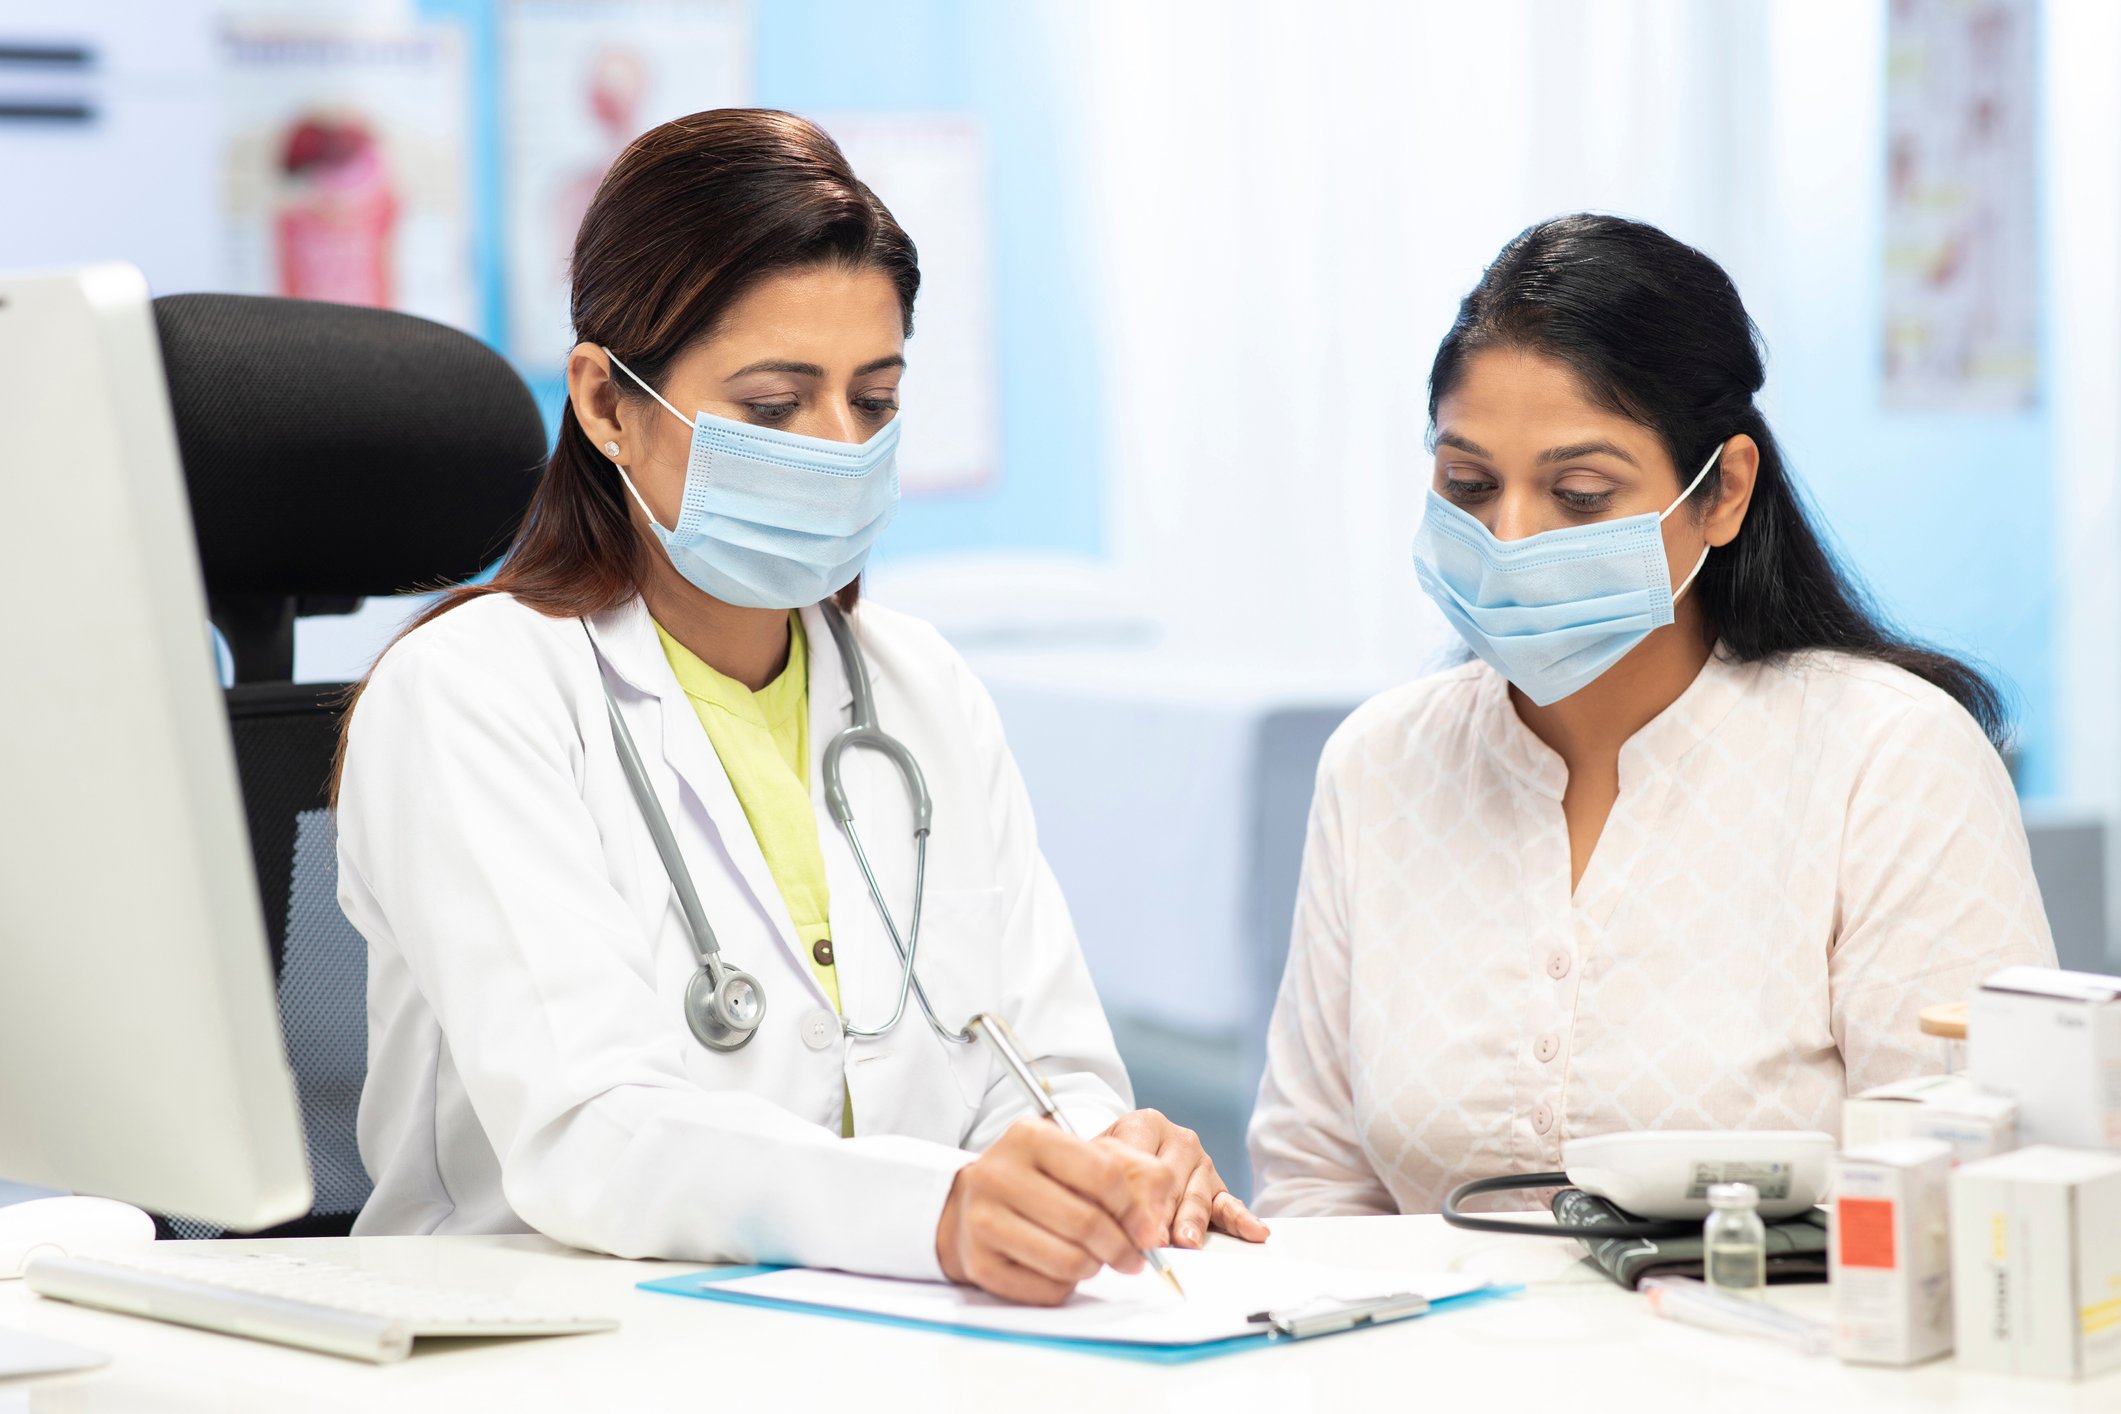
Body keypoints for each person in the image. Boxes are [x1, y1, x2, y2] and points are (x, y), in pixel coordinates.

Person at [335, 108, 1266, 1303]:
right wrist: (938, 1210)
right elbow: (591, 1134)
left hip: (883, 1336)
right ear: (609, 406)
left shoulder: (922, 688)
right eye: (775, 405)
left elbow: (1038, 1070)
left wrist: (1102, 1166)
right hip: (543, 1337)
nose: (836, 446)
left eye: (872, 401)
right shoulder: (472, 694)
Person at [1247, 214, 2056, 1217]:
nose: (1509, 537)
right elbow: (1313, 1184)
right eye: (1468, 484)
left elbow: (1972, 1190)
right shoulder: (1381, 765)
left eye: (1580, 495)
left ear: (1722, 493)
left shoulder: (1888, 759)